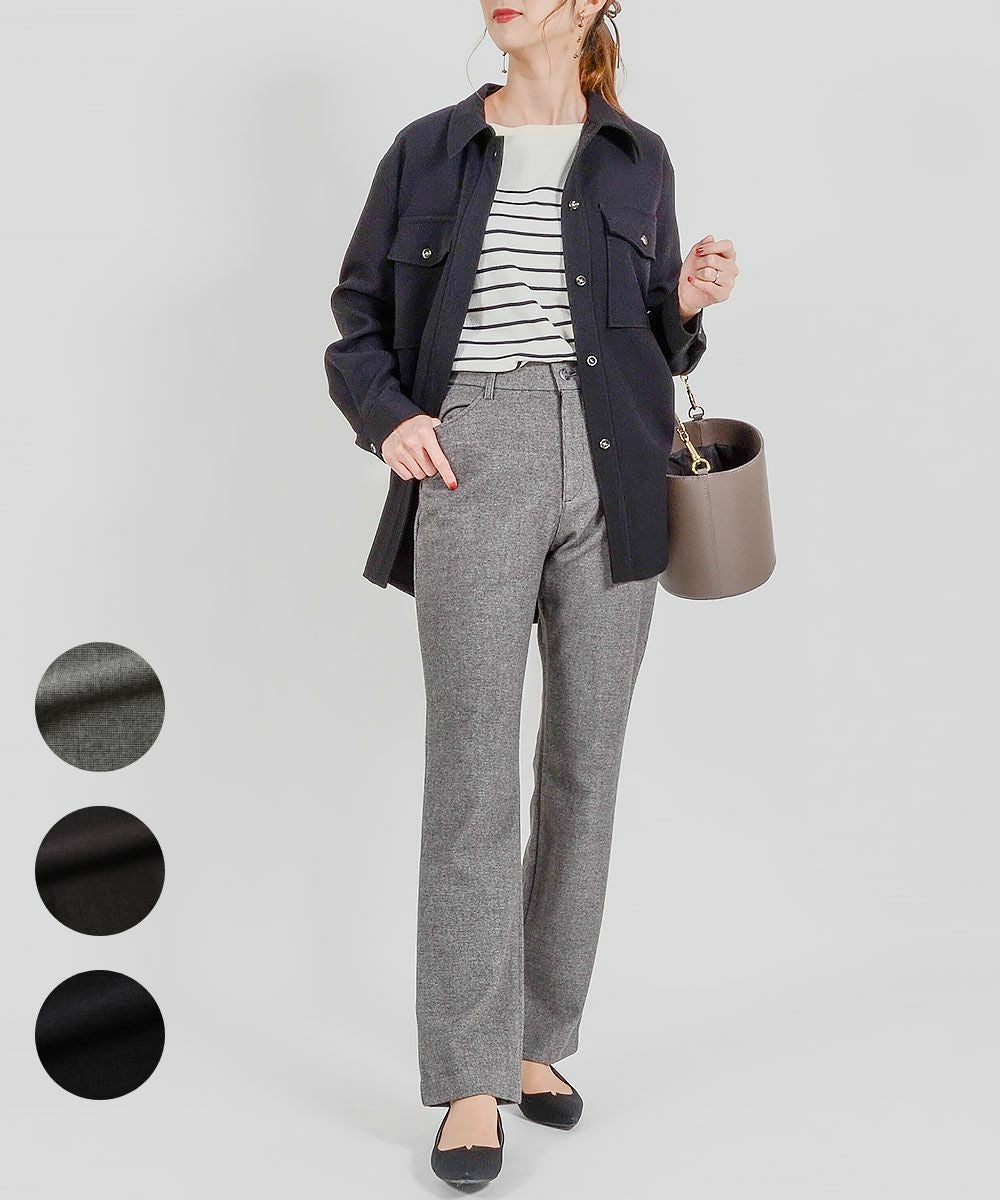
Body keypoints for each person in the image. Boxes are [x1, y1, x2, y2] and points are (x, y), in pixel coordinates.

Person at [325, 0, 738, 1187]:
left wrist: (686, 305)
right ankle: (469, 1079)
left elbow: (651, 340)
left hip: (617, 462)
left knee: (583, 770)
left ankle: (535, 1041)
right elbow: (357, 320)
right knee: (472, 775)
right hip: (477, 450)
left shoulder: (637, 158)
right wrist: (392, 419)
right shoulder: (428, 149)